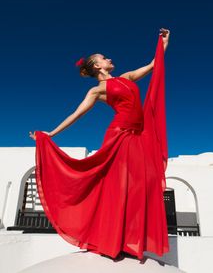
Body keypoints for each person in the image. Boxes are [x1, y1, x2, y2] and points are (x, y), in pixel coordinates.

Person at [29, 28, 170, 262]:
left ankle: (129, 239)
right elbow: (77, 114)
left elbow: (154, 64)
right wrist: (51, 133)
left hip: (138, 138)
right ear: (97, 66)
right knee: (119, 186)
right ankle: (114, 240)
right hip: (120, 136)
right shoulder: (97, 90)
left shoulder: (126, 77)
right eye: (104, 57)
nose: (110, 59)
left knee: (141, 185)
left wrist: (163, 44)